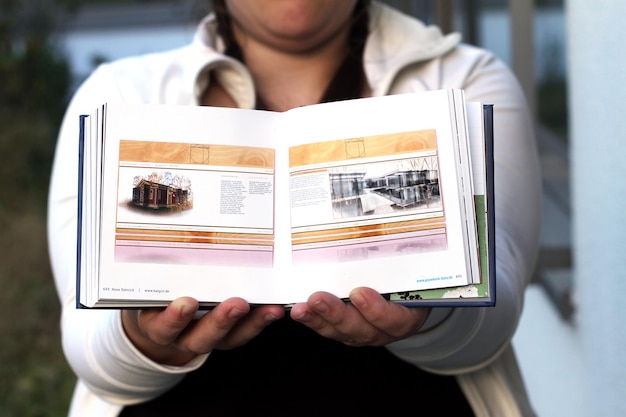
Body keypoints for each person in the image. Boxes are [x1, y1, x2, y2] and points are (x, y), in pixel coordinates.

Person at [48, 1, 541, 416]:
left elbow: (493, 316)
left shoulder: (465, 78)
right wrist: (143, 337)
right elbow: (92, 352)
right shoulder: (118, 95)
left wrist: (431, 317)